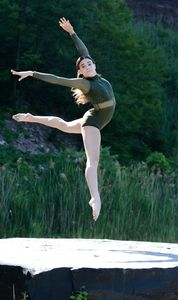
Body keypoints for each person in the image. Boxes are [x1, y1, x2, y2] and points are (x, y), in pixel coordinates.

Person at [11, 17, 116, 221]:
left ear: (94, 64)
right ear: (81, 73)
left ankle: (31, 118)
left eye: (89, 63)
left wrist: (72, 32)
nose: (87, 65)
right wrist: (32, 73)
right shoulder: (86, 84)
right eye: (83, 66)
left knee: (65, 126)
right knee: (93, 161)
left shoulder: (99, 78)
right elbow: (58, 80)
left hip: (95, 118)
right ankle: (95, 198)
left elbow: (83, 50)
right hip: (93, 123)